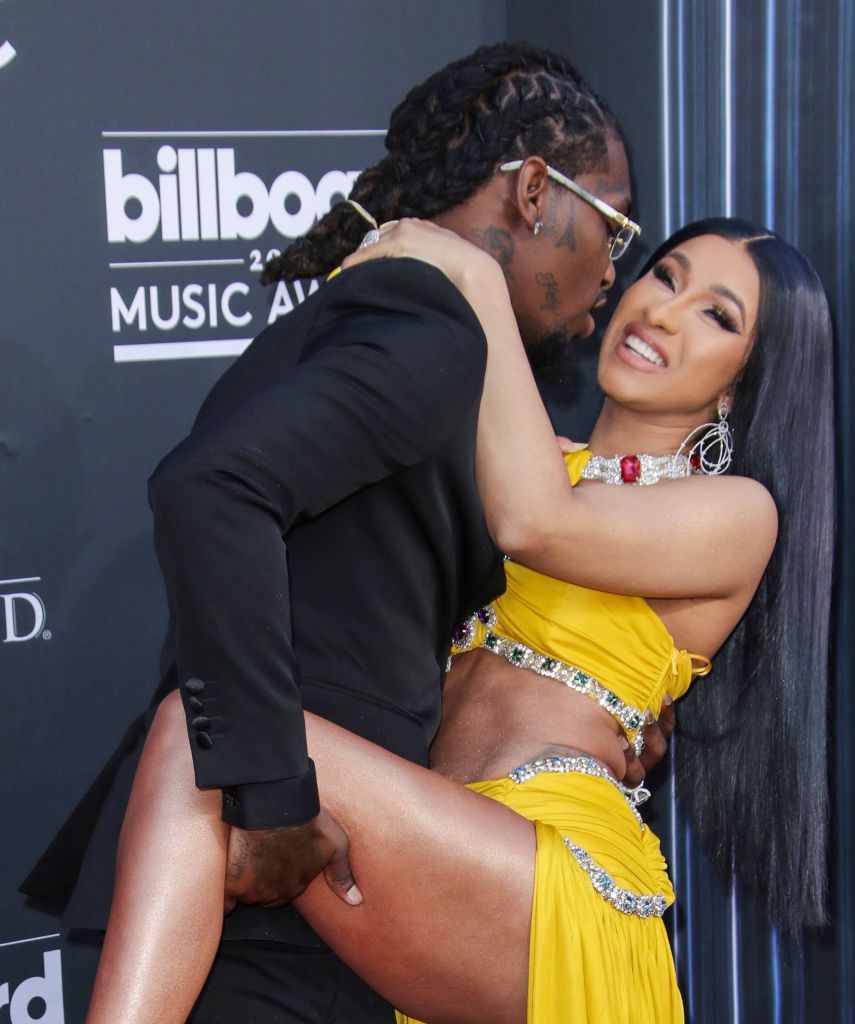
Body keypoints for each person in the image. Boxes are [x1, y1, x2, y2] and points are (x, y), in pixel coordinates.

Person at [22, 42, 668, 1023]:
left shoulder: (368, 317)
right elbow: (210, 490)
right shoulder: (432, 326)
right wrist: (277, 803)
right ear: (535, 191)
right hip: (281, 872)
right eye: (613, 225)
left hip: (276, 862)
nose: (613, 272)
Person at [62, 214, 834, 1024]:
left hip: (553, 880)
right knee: (218, 749)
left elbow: (538, 524)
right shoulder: (525, 460)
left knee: (204, 733)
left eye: (716, 315)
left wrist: (476, 277)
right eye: (666, 276)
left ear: (739, 384)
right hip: (433, 850)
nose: (663, 312)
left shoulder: (737, 512)